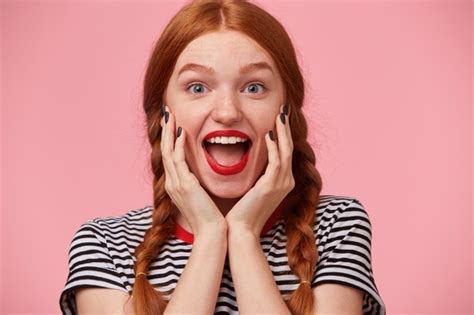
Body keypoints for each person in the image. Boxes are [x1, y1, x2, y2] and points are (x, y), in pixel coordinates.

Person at [59, 0, 386, 314]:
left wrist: (242, 234)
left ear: (286, 112)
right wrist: (211, 236)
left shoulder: (336, 228)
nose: (228, 112)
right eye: (198, 87)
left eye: (254, 87)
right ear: (163, 113)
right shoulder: (104, 245)